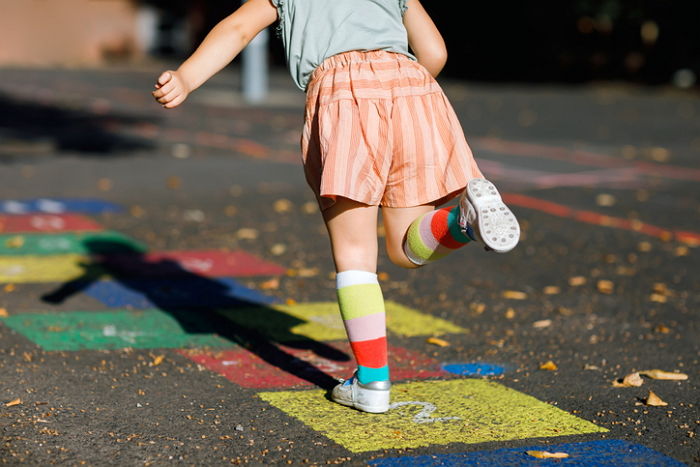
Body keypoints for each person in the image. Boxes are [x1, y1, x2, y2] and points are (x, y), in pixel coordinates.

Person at [152, 0, 520, 414]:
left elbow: (238, 29)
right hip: (415, 90)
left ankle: (373, 384)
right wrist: (396, 91)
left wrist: (186, 77)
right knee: (405, 248)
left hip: (345, 95)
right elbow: (435, 52)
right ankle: (463, 222)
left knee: (356, 257)